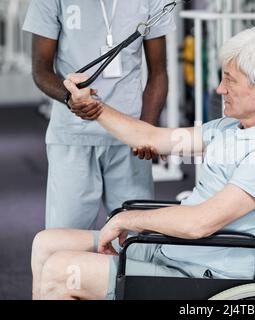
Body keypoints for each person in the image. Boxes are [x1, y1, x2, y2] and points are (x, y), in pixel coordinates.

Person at [31, 27, 255, 300]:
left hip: (199, 273)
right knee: (47, 244)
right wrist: (93, 107)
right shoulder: (231, 128)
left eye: (230, 80)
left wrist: (125, 220)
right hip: (172, 249)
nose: (220, 88)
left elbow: (200, 223)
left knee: (60, 271)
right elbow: (152, 137)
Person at [22, 0, 175, 229]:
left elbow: (158, 73)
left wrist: (147, 131)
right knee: (67, 239)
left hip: (128, 137)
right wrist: (69, 96)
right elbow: (41, 68)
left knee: (136, 238)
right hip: (73, 137)